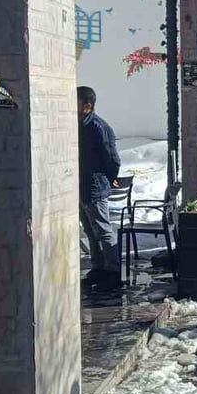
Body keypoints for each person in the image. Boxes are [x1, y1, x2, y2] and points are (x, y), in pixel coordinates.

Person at [77, 86, 123, 290]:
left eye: (75, 101)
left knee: (103, 229)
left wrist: (110, 177)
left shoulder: (97, 126)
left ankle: (112, 270)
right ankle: (98, 266)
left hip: (94, 185)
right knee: (89, 228)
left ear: (87, 105)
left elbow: (111, 157)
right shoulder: (78, 125)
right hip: (80, 185)